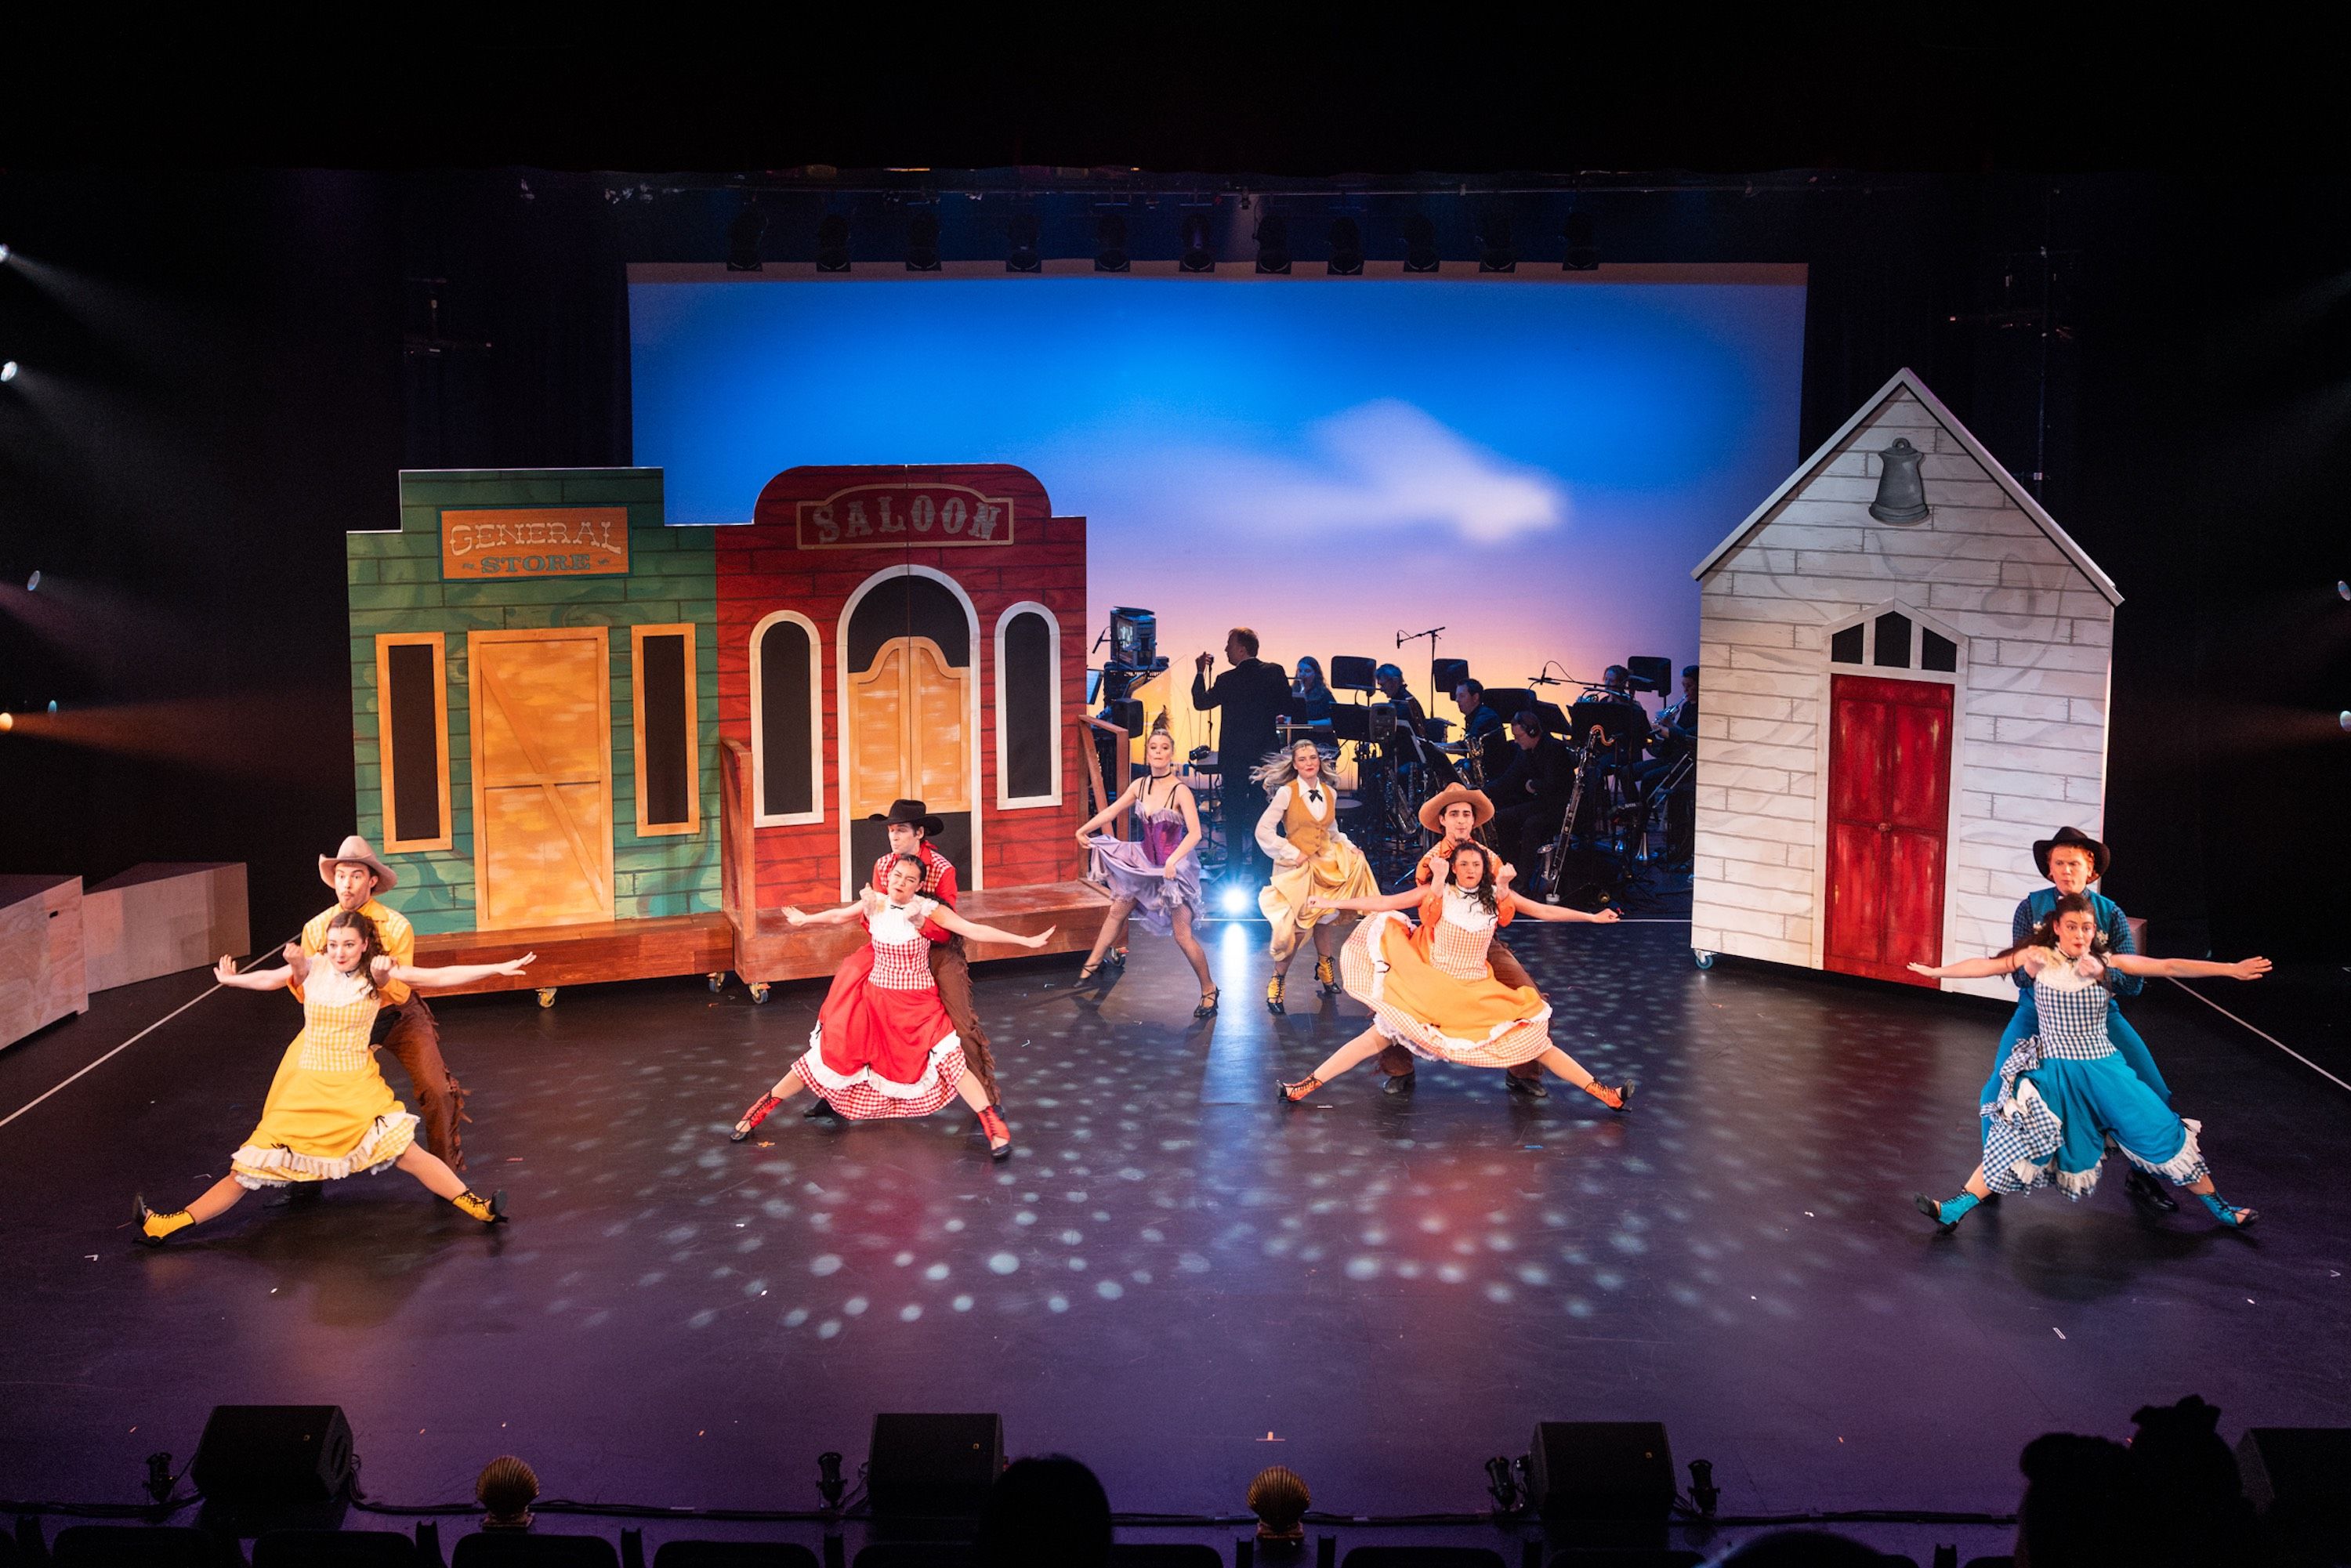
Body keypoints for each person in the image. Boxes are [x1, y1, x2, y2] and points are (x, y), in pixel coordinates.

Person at [134, 912, 527, 1244]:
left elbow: (437, 977)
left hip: (355, 1089)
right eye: (334, 944)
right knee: (246, 1171)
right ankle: (165, 1225)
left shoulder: (377, 973)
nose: (339, 952)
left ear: (364, 945)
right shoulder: (315, 966)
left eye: (348, 945)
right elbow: (269, 979)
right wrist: (232, 980)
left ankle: (480, 1208)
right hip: (306, 1091)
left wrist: (495, 968)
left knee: (407, 1153)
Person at [1909, 893, 2269, 1229]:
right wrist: (1937, 973)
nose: (2080, 935)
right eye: (2072, 927)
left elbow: (2167, 965)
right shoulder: (2037, 957)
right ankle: (1953, 1208)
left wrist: (2230, 969)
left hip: (2103, 1070)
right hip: (2055, 1074)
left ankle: (2222, 1209)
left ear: (2095, 930)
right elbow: (1985, 966)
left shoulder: (2104, 963)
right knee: (2017, 1138)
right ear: (2057, 927)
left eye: (2087, 928)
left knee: (2158, 1129)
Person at [728, 854, 1053, 1158]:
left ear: (918, 885)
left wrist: (1023, 941)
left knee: (951, 1059)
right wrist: (805, 919)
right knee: (827, 1055)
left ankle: (993, 1127)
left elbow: (973, 930)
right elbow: (839, 916)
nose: (901, 882)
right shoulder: (875, 902)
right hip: (875, 1001)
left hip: (918, 1003)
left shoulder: (928, 910)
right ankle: (759, 1110)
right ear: (889, 877)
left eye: (910, 879)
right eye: (897, 876)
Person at [1277, 838, 1632, 1107]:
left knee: (1537, 1042)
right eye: (1463, 864)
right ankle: (1305, 1086)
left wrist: (1591, 917)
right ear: (1454, 868)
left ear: (1484, 868)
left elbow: (1544, 911)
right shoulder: (1440, 892)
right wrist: (1331, 902)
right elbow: (1383, 902)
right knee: (1376, 1037)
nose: (1470, 869)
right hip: (1431, 984)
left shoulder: (1496, 895)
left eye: (1476, 864)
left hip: (1476, 990)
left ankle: (1606, 1094)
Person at [1989, 826, 2175, 1210]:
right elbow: (2017, 975)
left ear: (2091, 869)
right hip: (2037, 1013)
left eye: (2074, 863)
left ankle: (2144, 1174)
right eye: (2059, 863)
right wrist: (2032, 969)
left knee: (2154, 1089)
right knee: (1995, 1092)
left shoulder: (2110, 914)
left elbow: (2132, 984)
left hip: (2096, 1016)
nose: (2066, 871)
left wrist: (2102, 974)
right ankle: (1992, 1179)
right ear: (2050, 869)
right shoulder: (2031, 908)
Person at [301, 835, 470, 1169]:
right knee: (311, 1091)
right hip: (344, 1021)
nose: (346, 884)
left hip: (396, 1016)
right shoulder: (317, 928)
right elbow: (308, 990)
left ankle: (447, 1174)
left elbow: (400, 990)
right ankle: (307, 1177)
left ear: (372, 881)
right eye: (341, 876)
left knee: (437, 1089)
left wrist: (378, 980)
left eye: (356, 876)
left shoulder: (395, 926)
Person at [1375, 783, 1550, 1097]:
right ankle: (1399, 1069)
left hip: (1481, 942)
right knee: (1396, 1000)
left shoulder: (1488, 858)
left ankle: (1524, 1072)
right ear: (1442, 820)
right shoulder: (1430, 861)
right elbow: (1428, 908)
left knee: (1530, 997)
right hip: (1436, 940)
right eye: (1454, 814)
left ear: (1473, 821)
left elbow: (1506, 906)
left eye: (1466, 815)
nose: (1461, 821)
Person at [839, 799, 1004, 1111]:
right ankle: (837, 1089)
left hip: (937, 950)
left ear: (919, 833)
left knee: (960, 1025)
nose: (893, 837)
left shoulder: (942, 869)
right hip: (895, 951)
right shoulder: (884, 865)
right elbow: (877, 918)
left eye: (901, 830)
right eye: (891, 830)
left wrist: (919, 924)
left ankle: (987, 1100)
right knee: (848, 1011)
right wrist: (871, 916)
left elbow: (947, 930)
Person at [1073, 728, 1218, 1016]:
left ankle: (1209, 990)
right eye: (1154, 747)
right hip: (1143, 864)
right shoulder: (1140, 785)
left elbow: (1195, 834)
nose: (1159, 752)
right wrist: (1083, 829)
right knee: (1117, 910)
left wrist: (1172, 861)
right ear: (1147, 753)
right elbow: (1111, 811)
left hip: (1173, 870)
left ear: (1171, 753)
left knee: (1182, 936)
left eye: (1164, 747)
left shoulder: (1180, 790)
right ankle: (1091, 965)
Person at [1254, 737, 1377, 1014]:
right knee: (1296, 929)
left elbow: (1331, 831)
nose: (1309, 763)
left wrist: (1350, 847)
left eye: (1313, 758)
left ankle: (1325, 968)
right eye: (1302, 759)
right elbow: (1263, 830)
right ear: (1295, 765)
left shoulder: (1329, 792)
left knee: (1324, 919)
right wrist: (1291, 852)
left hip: (1324, 865)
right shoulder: (1287, 793)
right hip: (1297, 869)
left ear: (1319, 762)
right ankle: (1278, 979)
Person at [1194, 628, 1291, 884]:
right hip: (1265, 761)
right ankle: (1263, 875)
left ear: (1241, 649)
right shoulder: (1275, 672)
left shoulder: (1227, 680)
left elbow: (1201, 702)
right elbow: (1286, 706)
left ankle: (1234, 872)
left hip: (1235, 761)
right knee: (1264, 817)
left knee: (1235, 818)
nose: (1226, 649)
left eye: (1229, 644)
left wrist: (1200, 672)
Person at [1487, 713, 1574, 896]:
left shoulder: (1554, 749)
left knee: (1532, 825)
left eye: (1519, 736)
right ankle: (1511, 870)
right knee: (1503, 818)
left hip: (1561, 808)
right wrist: (1481, 793)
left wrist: (1533, 785)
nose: (1516, 741)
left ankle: (1522, 881)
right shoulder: (1525, 751)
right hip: (1543, 803)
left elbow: (1556, 785)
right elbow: (1508, 779)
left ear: (1533, 732)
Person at [1289, 657, 1336, 724]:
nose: (1302, 674)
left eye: (1307, 671)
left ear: (1316, 674)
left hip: (1317, 731)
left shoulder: (1324, 694)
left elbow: (1332, 720)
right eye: (1300, 671)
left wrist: (1308, 724)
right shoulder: (1290, 691)